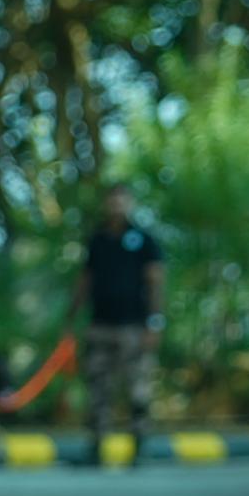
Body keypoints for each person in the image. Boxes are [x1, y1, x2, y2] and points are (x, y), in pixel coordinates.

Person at [74, 179, 164, 464]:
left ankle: (139, 445)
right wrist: (72, 317)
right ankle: (97, 446)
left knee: (138, 389)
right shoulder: (97, 240)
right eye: (112, 199)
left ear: (130, 203)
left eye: (122, 199)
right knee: (98, 389)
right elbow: (85, 279)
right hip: (100, 325)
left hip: (134, 326)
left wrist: (154, 322)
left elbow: (155, 281)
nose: (116, 205)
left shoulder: (144, 240)